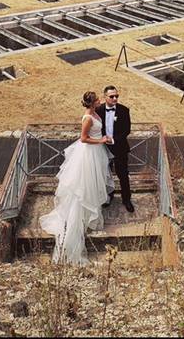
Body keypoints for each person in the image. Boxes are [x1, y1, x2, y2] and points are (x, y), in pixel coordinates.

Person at [39, 91, 115, 265]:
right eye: (97, 99)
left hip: (96, 153)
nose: (100, 101)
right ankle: (75, 226)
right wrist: (101, 141)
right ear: (92, 103)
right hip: (88, 154)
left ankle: (88, 214)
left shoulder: (95, 112)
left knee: (93, 185)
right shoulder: (88, 118)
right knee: (83, 187)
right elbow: (83, 138)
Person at [96, 85, 134, 213]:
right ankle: (108, 197)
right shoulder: (99, 110)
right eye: (112, 96)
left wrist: (113, 140)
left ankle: (127, 200)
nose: (115, 98)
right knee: (105, 175)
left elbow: (126, 130)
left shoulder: (124, 110)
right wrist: (102, 139)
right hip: (103, 148)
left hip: (120, 148)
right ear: (105, 97)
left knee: (123, 175)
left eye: (116, 96)